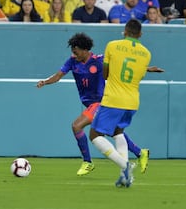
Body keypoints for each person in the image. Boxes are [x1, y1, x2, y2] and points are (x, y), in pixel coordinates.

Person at [36, 31, 163, 176]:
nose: (74, 55)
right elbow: (58, 75)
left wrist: (148, 68)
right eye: (72, 52)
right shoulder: (72, 61)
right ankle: (140, 153)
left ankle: (87, 162)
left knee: (76, 126)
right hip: (90, 104)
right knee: (115, 131)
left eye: (76, 52)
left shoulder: (98, 60)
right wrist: (45, 82)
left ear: (85, 50)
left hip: (100, 102)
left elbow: (120, 65)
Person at [89, 19, 152, 187]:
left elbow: (105, 74)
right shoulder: (146, 53)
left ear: (124, 31)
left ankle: (125, 166)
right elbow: (139, 76)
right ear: (140, 34)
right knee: (118, 132)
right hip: (132, 102)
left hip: (113, 99)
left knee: (94, 135)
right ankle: (125, 178)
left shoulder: (112, 45)